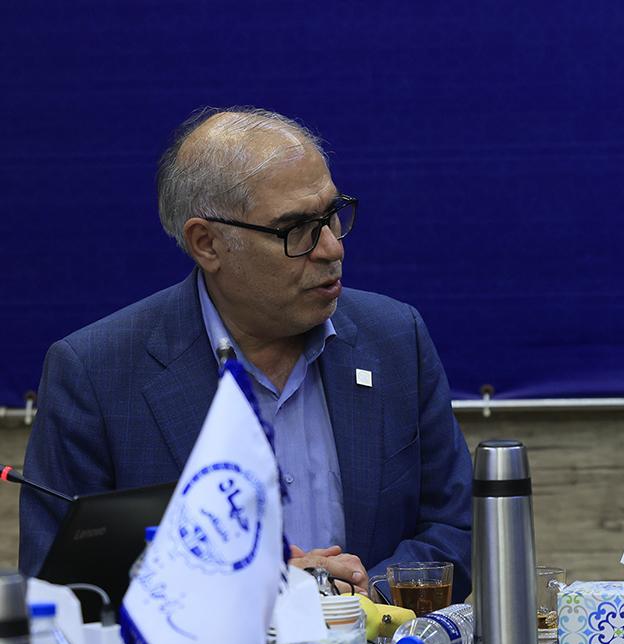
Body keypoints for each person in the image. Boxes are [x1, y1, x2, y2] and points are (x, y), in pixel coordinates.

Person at [19, 107, 474, 600]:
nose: (331, 248)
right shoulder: (97, 375)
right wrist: (261, 594)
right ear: (207, 244)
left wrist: (354, 599)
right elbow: (66, 593)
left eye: (332, 215)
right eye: (296, 228)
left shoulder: (395, 339)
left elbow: (455, 528)